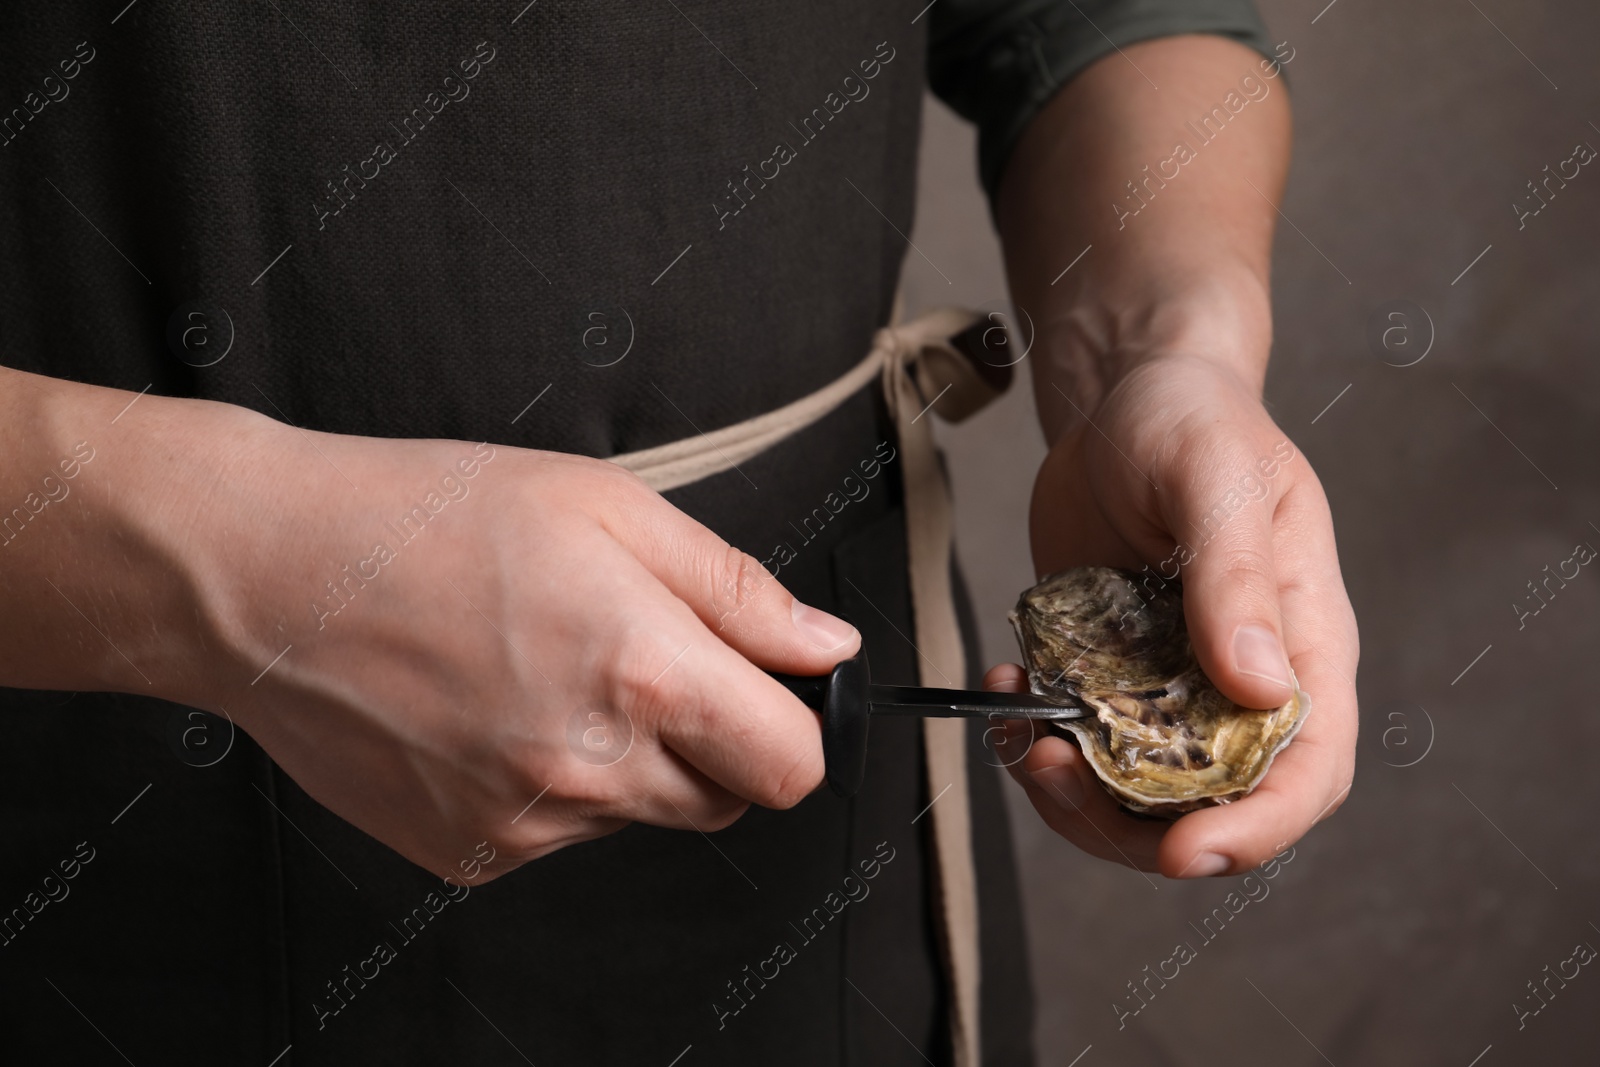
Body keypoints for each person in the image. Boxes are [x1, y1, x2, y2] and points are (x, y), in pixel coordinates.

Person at [0, 1, 1357, 1063]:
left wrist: (1166, 355)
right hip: (91, 857)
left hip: (821, 895)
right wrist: (232, 574)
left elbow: (1095, 14)